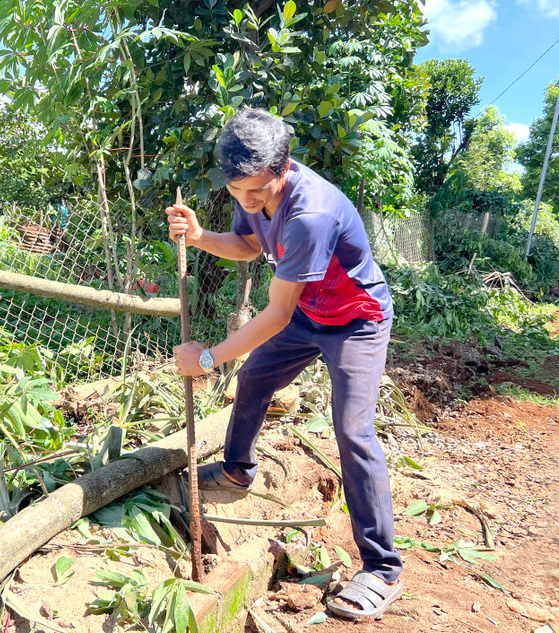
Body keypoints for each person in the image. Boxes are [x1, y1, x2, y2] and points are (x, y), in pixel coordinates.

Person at [165, 108, 403, 620]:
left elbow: (276, 313)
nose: (249, 201)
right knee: (254, 378)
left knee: (353, 430)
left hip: (356, 318)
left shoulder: (310, 212)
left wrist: (206, 358)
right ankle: (236, 471)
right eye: (237, 191)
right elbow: (249, 247)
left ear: (284, 166)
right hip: (309, 313)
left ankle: (382, 569)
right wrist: (202, 236)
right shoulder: (251, 192)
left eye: (258, 191)